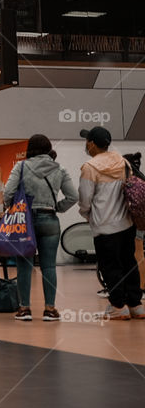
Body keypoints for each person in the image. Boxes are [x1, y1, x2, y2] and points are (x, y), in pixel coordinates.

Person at [4, 134, 78, 321]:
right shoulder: (59, 168)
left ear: (30, 148)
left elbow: (8, 192)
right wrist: (57, 207)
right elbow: (73, 196)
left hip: (25, 220)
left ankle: (24, 309)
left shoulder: (20, 166)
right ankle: (50, 309)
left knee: (24, 266)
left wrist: (12, 206)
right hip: (50, 219)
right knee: (49, 266)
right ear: (48, 148)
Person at [78, 127, 143, 320]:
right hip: (127, 223)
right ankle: (136, 305)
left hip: (105, 227)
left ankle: (117, 306)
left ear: (91, 143)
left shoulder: (90, 167)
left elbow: (85, 199)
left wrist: (86, 214)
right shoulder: (123, 162)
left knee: (110, 266)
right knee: (129, 263)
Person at [123, 152, 145, 293]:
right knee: (138, 253)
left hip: (133, 222)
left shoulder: (130, 180)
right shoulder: (141, 178)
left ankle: (140, 286)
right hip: (141, 221)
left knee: (137, 254)